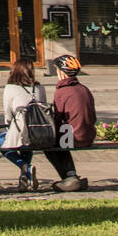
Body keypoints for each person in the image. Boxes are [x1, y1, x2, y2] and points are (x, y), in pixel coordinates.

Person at [45, 53, 96, 192]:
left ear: (62, 73)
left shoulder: (62, 91)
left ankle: (69, 177)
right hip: (89, 135)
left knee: (50, 145)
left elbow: (58, 118)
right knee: (61, 140)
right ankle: (71, 176)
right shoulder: (84, 89)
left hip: (73, 138)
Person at [0, 60, 45, 191]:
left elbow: (8, 116)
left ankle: (26, 167)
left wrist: (9, 127)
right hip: (38, 131)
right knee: (26, 144)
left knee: (0, 143)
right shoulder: (39, 88)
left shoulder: (10, 88)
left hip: (21, 129)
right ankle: (24, 179)